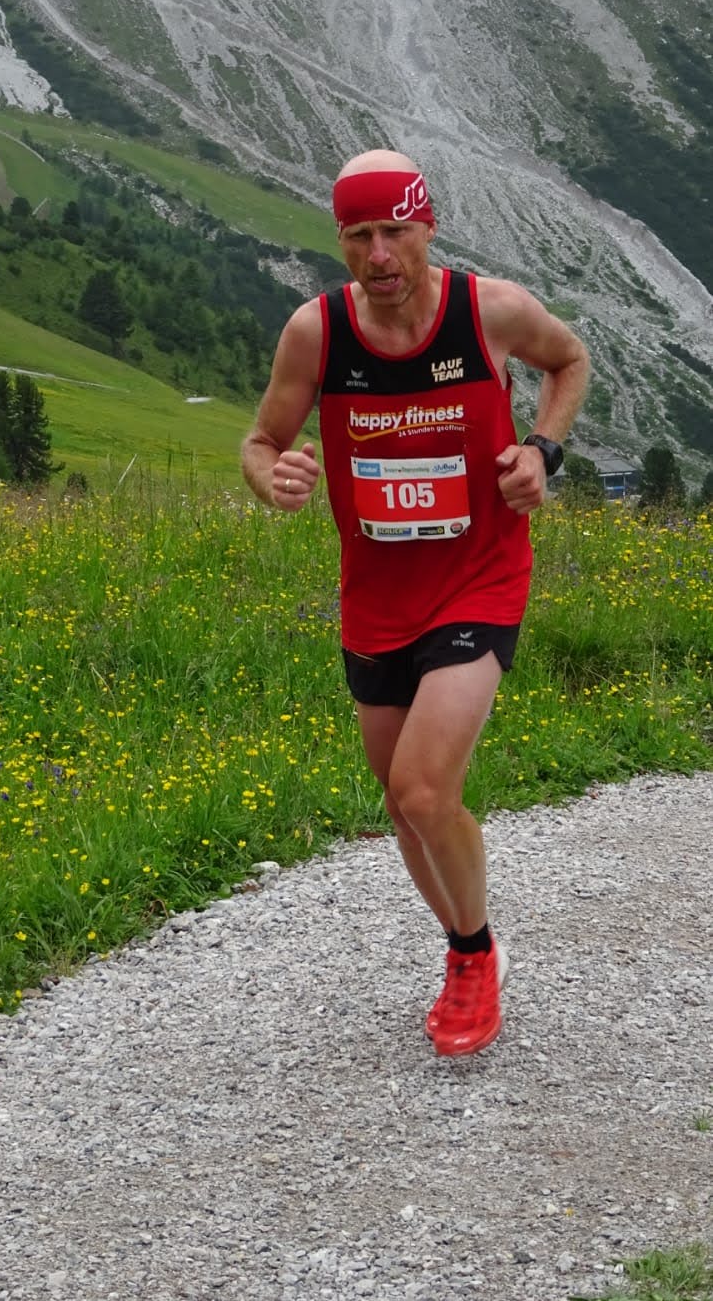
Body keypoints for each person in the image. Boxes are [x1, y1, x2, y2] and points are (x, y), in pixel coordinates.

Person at [241, 148, 590, 1057]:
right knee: (402, 809)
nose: (378, 254)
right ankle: (466, 942)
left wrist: (541, 452)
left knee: (424, 788)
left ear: (427, 226)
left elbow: (568, 361)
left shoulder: (489, 312)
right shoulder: (317, 333)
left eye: (394, 230)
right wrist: (270, 476)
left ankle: (472, 956)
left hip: (480, 577)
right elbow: (261, 438)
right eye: (358, 235)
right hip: (375, 599)